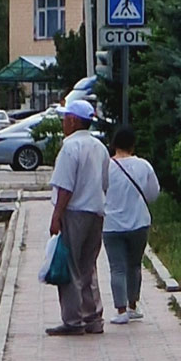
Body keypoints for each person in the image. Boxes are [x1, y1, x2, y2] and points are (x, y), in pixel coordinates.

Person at [46, 97, 109, 336]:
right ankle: (93, 317)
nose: (63, 123)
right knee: (88, 266)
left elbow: (65, 186)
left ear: (73, 120)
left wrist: (56, 216)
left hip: (74, 213)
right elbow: (104, 183)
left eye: (65, 118)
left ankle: (73, 320)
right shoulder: (99, 147)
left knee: (70, 267)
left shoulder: (70, 147)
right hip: (96, 212)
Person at [103, 125, 161, 325]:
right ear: (133, 145)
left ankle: (120, 311)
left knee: (117, 268)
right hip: (139, 223)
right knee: (134, 265)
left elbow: (99, 191)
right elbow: (153, 193)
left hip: (111, 225)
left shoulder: (106, 167)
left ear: (113, 145)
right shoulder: (144, 166)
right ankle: (133, 306)